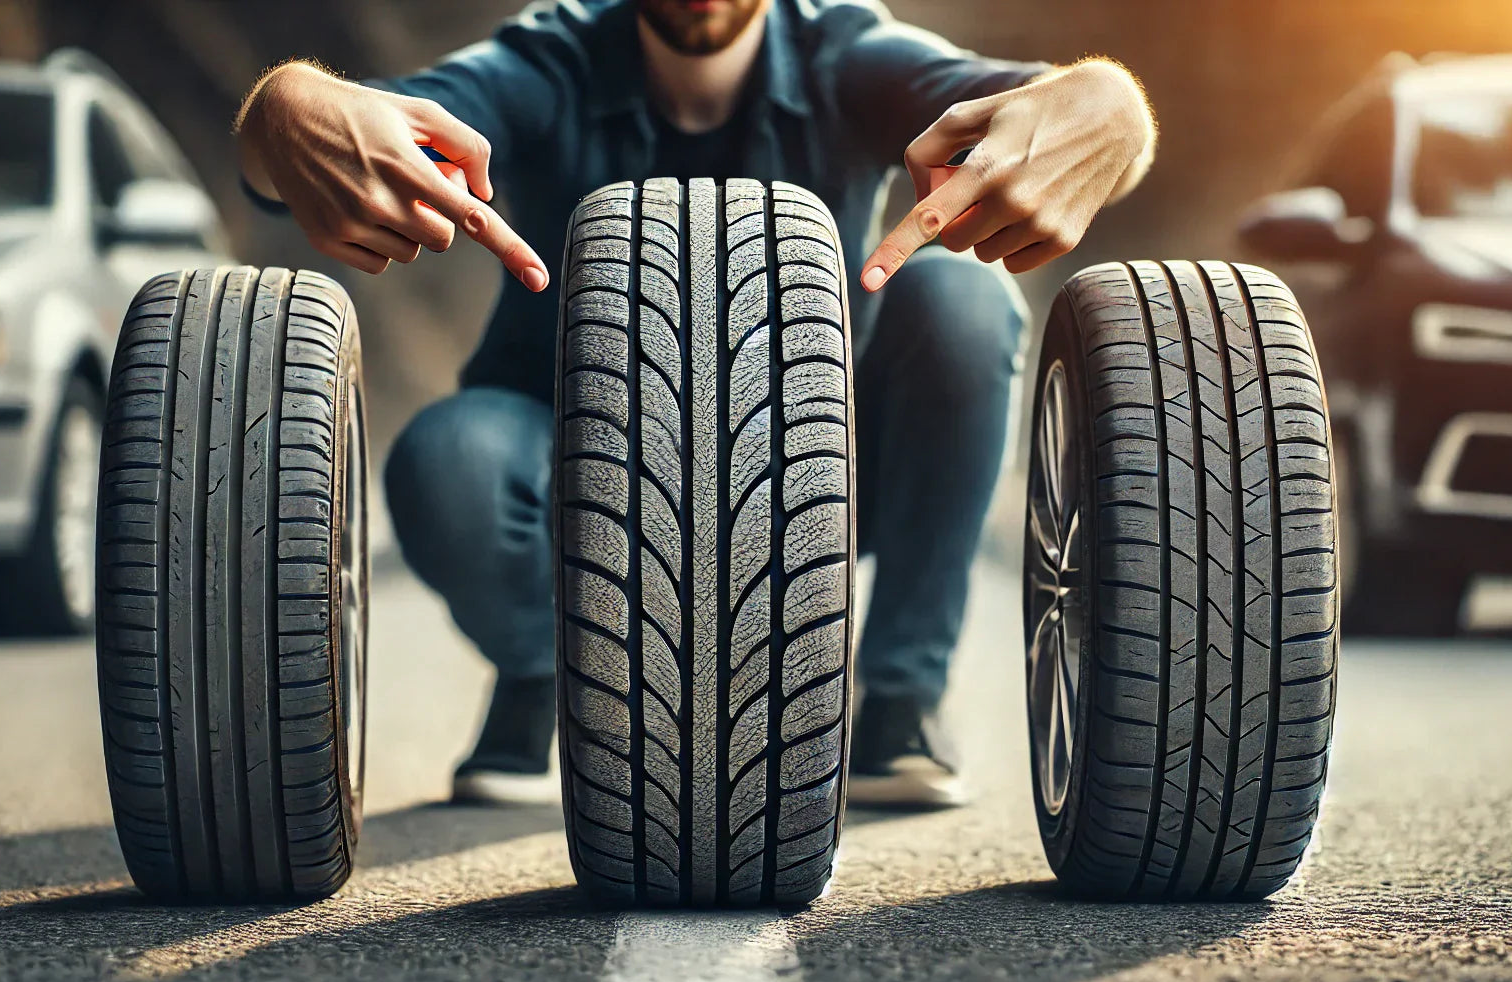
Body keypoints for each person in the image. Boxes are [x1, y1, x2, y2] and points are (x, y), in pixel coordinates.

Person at [235, 0, 1155, 808]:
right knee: (450, 458)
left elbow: (1048, 102)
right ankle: (549, 676)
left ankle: (903, 696)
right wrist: (286, 114)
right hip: (577, 466)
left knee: (963, 298)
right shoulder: (551, 55)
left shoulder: (845, 47)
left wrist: (1108, 109)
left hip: (809, 473)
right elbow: (358, 127)